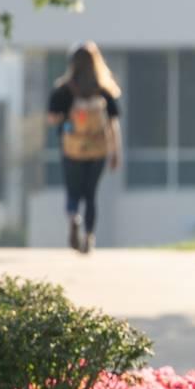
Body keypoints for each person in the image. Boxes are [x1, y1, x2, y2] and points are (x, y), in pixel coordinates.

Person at [46, 43, 122, 254]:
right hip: (98, 150)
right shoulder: (104, 90)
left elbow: (52, 118)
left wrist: (66, 119)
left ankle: (74, 217)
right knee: (90, 194)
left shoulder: (64, 90)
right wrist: (116, 152)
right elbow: (113, 124)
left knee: (73, 192)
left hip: (72, 148)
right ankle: (89, 237)